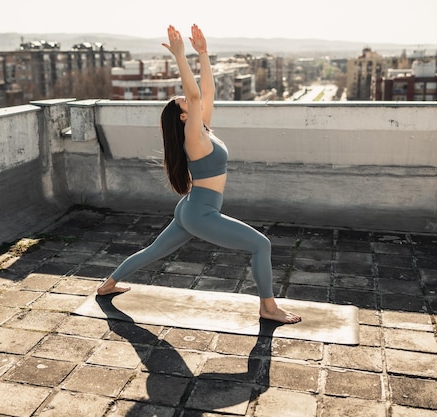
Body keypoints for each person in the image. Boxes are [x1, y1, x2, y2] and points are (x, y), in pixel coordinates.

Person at [97, 24, 301, 324]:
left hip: (192, 208)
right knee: (261, 245)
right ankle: (268, 308)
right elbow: (194, 96)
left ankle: (107, 285)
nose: (188, 99)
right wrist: (180, 56)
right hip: (200, 213)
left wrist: (203, 54)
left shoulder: (201, 128)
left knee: (154, 251)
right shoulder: (192, 135)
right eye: (183, 102)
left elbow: (206, 91)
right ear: (183, 116)